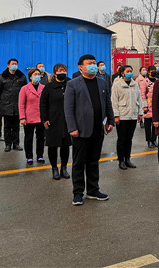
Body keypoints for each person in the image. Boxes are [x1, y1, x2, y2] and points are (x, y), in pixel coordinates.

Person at [64, 54, 115, 206]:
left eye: (94, 63)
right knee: (79, 163)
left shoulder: (101, 82)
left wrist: (111, 121)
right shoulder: (73, 84)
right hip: (80, 130)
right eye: (90, 63)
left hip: (98, 129)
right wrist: (72, 127)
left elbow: (107, 103)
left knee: (93, 161)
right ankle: (78, 193)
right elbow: (68, 108)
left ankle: (93, 190)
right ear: (81, 67)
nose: (93, 65)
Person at [40, 64, 72, 180]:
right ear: (54, 73)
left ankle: (64, 168)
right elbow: (43, 104)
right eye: (60, 71)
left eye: (64, 71)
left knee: (65, 146)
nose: (62, 73)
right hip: (53, 120)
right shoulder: (49, 87)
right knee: (53, 146)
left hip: (67, 120)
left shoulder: (70, 84)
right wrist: (44, 119)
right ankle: (54, 168)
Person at [111, 65, 142, 170]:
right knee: (121, 139)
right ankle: (121, 160)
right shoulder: (117, 85)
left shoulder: (135, 84)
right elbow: (114, 101)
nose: (130, 73)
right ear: (122, 73)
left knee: (129, 139)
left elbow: (139, 98)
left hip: (133, 115)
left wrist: (140, 113)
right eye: (128, 71)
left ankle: (128, 159)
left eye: (131, 71)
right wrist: (116, 115)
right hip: (122, 116)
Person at [0, 58, 27, 152]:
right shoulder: (2, 77)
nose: (14, 65)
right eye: (12, 64)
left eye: (16, 64)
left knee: (16, 126)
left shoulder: (21, 77)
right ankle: (8, 144)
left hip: (17, 104)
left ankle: (16, 144)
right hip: (6, 105)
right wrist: (4, 98)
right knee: (7, 126)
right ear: (8, 65)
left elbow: (24, 89)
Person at [19, 68, 45, 165]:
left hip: (41, 117)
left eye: (38, 74)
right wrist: (22, 117)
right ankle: (29, 157)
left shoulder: (44, 88)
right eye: (35, 74)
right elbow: (21, 104)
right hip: (29, 117)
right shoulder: (24, 88)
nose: (37, 76)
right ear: (30, 77)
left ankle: (40, 155)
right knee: (28, 138)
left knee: (41, 138)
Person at [140, 66, 157, 149]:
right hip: (148, 106)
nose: (153, 71)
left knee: (156, 124)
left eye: (154, 70)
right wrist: (144, 106)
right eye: (152, 70)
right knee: (148, 125)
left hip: (156, 106)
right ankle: (149, 140)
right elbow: (142, 94)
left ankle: (154, 139)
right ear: (148, 72)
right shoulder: (145, 81)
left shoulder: (158, 81)